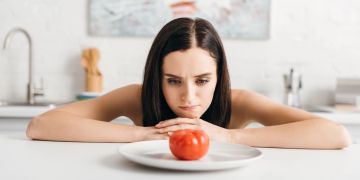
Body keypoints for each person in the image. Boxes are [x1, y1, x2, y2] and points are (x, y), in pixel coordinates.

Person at [26, 17, 351, 149]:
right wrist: (143, 133)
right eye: (172, 81)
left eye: (202, 80)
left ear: (219, 76)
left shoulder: (239, 102)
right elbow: (41, 125)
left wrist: (229, 135)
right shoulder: (137, 98)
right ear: (157, 77)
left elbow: (336, 135)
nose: (188, 97)